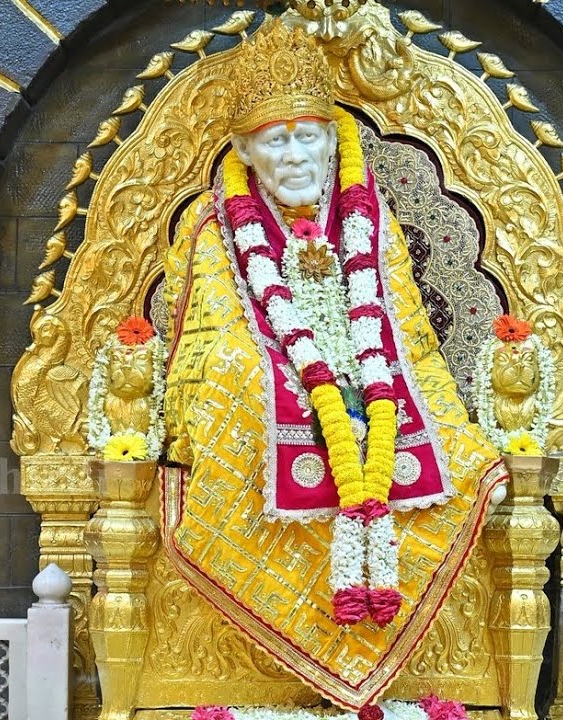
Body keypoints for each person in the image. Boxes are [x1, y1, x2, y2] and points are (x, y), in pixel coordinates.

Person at [161, 18, 504, 710]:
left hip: (373, 387)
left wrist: (369, 393)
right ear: (247, 152)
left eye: (306, 136)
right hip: (267, 388)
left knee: (452, 445)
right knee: (244, 385)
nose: (293, 156)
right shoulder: (214, 223)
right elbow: (215, 336)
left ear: (333, 140)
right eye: (275, 141)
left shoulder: (369, 221)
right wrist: (296, 385)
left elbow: (407, 331)